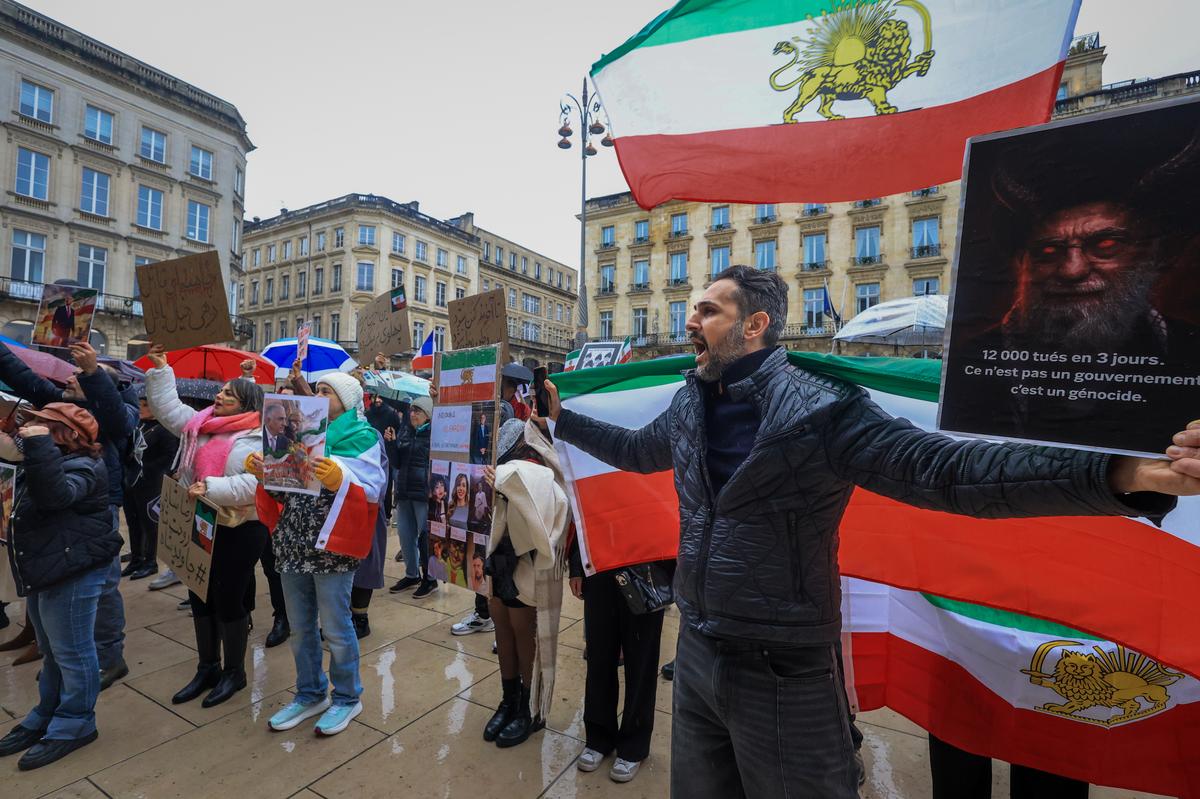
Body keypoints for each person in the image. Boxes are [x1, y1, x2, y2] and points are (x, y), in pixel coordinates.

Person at [543, 264, 1200, 798]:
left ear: (756, 323)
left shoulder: (823, 413)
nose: (689, 320)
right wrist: (561, 420)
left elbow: (952, 471)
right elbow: (636, 450)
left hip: (784, 673)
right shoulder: (690, 399)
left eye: (707, 310)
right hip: (697, 659)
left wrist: (1124, 472)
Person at [944, 123, 1200, 453]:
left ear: (1154, 253)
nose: (1071, 270)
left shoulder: (1191, 353)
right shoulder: (972, 360)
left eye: (1106, 245)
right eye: (1048, 251)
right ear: (1024, 261)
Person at [248, 372, 387, 736]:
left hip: (332, 548)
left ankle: (347, 697)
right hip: (294, 542)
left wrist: (341, 479)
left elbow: (373, 489)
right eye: (318, 390)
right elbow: (284, 495)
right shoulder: (298, 436)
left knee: (337, 627)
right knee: (300, 627)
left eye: (327, 391)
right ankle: (310, 693)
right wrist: (267, 475)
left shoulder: (364, 437)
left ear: (346, 400)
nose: (318, 395)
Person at [0, 341, 135, 691]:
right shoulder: (59, 404)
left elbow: (116, 419)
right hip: (55, 504)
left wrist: (93, 374)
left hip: (96, 507)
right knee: (55, 578)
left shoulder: (115, 413)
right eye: (78, 373)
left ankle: (109, 658)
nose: (74, 376)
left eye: (85, 375)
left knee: (102, 586)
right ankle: (64, 658)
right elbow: (23, 378)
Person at [144, 344, 265, 708]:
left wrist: (211, 488)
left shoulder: (262, 437)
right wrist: (163, 370)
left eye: (229, 393)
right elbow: (169, 410)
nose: (220, 395)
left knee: (228, 596)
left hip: (241, 527)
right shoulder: (203, 424)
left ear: (246, 403)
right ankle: (207, 666)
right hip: (201, 519)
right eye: (222, 390)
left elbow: (258, 486)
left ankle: (235, 673)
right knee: (199, 591)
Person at [0, 403, 118, 769]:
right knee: (51, 649)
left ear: (68, 434)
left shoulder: (84, 465)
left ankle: (77, 722)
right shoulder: (51, 458)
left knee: (73, 651)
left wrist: (37, 445)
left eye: (43, 424)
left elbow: (56, 496)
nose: (32, 427)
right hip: (50, 566)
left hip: (73, 571)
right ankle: (47, 711)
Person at [481, 418, 570, 749]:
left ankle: (529, 708)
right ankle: (509, 698)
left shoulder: (542, 470)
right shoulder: (499, 467)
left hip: (525, 565)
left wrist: (504, 484)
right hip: (497, 561)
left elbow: (545, 510)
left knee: (522, 633)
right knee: (501, 628)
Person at [570, 542, 674, 784]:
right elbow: (582, 515)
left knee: (642, 661)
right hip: (600, 568)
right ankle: (598, 737)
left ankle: (634, 745)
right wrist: (577, 566)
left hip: (648, 568)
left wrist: (672, 571)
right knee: (599, 657)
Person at [121, 389, 181, 581]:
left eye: (145, 405)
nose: (141, 408)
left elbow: (170, 458)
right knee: (133, 521)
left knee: (150, 524)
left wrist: (145, 467)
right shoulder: (139, 424)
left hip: (152, 483)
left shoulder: (166, 428)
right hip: (132, 481)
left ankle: (150, 561)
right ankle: (136, 557)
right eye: (140, 404)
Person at [389, 396, 438, 598]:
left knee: (425, 537)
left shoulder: (435, 434)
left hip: (423, 493)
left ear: (427, 415)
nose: (413, 414)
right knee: (405, 535)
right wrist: (392, 444)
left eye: (418, 411)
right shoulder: (405, 430)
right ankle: (412, 574)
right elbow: (397, 463)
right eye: (411, 410)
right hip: (404, 491)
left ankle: (430, 578)